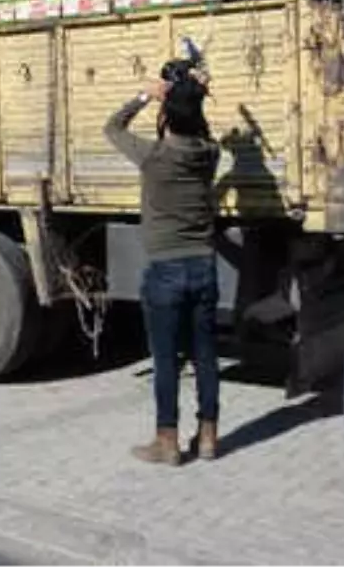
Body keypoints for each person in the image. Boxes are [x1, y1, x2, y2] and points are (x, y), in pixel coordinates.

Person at [104, 65, 221, 465]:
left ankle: (167, 442)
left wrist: (145, 95)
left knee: (166, 359)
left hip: (165, 271)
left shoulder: (153, 157)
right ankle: (208, 437)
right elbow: (201, 132)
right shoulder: (209, 154)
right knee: (206, 357)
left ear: (167, 116)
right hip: (204, 267)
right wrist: (193, 95)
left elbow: (113, 128)